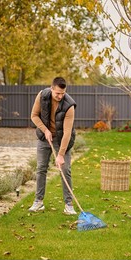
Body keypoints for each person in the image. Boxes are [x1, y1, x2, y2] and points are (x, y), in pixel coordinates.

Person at [29, 77, 77, 215]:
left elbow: (67, 133)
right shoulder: (42, 95)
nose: (60, 96)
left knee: (65, 169)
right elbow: (34, 115)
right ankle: (38, 202)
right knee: (41, 168)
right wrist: (45, 130)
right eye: (57, 93)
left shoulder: (69, 106)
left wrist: (61, 155)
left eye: (63, 93)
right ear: (51, 89)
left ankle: (69, 205)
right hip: (45, 137)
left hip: (62, 139)